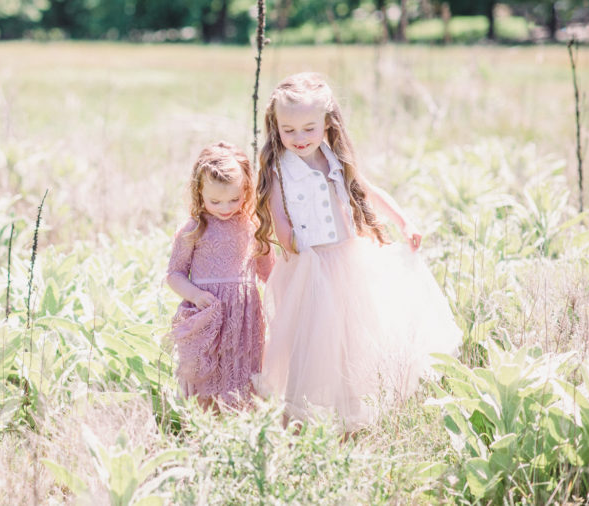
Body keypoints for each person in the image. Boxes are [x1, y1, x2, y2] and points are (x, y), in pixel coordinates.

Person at [252, 72, 461, 431]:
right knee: (310, 345)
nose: (299, 138)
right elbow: (279, 219)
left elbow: (368, 191)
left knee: (352, 341)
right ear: (275, 126)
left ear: (327, 123)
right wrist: (295, 244)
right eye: (289, 130)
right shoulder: (279, 170)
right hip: (309, 268)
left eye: (308, 128)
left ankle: (351, 417)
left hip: (350, 263)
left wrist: (404, 222)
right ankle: (296, 420)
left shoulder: (334, 159)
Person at [165, 142, 275, 410]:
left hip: (243, 316)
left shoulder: (252, 226)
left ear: (246, 190)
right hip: (208, 312)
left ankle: (238, 422)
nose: (225, 207)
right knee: (207, 370)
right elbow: (174, 274)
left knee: (241, 367)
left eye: (234, 199)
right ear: (198, 191)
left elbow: (268, 273)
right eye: (215, 201)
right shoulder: (193, 229)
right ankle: (206, 423)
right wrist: (195, 295)